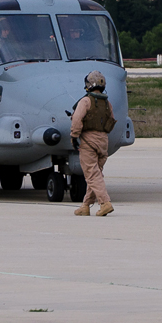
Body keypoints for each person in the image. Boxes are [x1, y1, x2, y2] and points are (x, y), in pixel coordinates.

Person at [70, 70, 116, 216]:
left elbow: (77, 120)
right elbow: (111, 121)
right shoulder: (107, 103)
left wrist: (74, 136)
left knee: (91, 175)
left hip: (88, 141)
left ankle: (105, 203)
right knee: (96, 174)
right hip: (103, 142)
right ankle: (86, 205)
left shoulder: (85, 101)